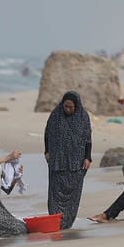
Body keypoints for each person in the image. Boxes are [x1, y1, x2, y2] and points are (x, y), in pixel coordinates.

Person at [44, 91, 92, 230]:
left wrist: (87, 157)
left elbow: (88, 139)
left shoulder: (83, 117)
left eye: (71, 107)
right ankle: (55, 221)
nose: (68, 109)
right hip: (57, 163)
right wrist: (47, 151)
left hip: (76, 163)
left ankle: (67, 222)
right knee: (55, 194)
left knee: (73, 195)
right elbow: (47, 134)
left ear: (76, 106)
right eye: (66, 106)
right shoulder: (55, 115)